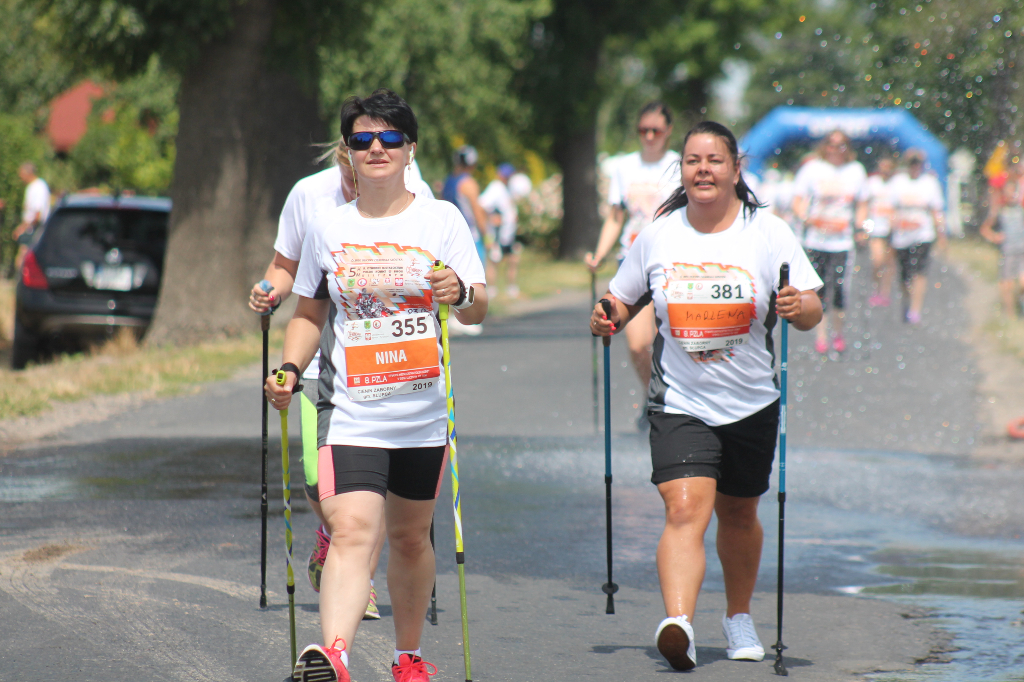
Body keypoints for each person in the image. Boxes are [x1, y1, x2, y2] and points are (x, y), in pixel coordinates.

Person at [266, 88, 487, 682]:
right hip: (351, 411)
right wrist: (289, 370)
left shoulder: (441, 219)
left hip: (422, 414)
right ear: (348, 152)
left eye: (390, 137)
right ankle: (333, 656)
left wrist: (461, 291)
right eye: (363, 139)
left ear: (410, 148)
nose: (377, 148)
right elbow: (308, 313)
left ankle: (406, 657)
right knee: (352, 529)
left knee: (411, 538)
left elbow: (478, 307)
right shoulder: (327, 228)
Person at [590, 121, 822, 672]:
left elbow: (812, 308)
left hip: (750, 402)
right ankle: (680, 624)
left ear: (736, 169)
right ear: (682, 171)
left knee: (739, 513)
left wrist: (798, 306)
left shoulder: (767, 232)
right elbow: (621, 299)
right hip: (681, 403)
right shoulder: (659, 235)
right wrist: (606, 315)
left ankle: (738, 616)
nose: (703, 170)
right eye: (693, 160)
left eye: (714, 160)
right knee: (684, 508)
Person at [249, 127, 433, 621]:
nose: (363, 174)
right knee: (318, 479)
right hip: (323, 359)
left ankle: (359, 580)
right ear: (344, 158)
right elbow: (287, 266)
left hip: (392, 365)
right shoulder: (309, 197)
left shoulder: (416, 191)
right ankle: (334, 534)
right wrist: (270, 289)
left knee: (371, 490)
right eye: (352, 167)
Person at [586, 101, 681, 401]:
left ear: (668, 131)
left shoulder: (679, 165)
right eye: (643, 130)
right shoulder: (624, 167)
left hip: (671, 263)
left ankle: (675, 401)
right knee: (639, 345)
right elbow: (616, 217)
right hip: (633, 260)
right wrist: (599, 255)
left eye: (656, 130)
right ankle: (655, 397)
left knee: (668, 342)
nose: (649, 136)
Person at [791, 130, 868, 354]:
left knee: (840, 289)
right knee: (819, 289)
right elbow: (798, 200)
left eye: (841, 144)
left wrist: (860, 227)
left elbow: (862, 203)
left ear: (848, 147)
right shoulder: (812, 169)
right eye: (832, 144)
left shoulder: (856, 171)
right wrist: (806, 218)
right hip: (816, 240)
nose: (836, 149)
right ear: (825, 146)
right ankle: (821, 336)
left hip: (842, 242)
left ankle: (838, 333)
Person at [888, 149, 946, 323]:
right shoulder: (898, 182)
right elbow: (891, 209)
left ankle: (915, 308)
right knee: (905, 275)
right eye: (912, 163)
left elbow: (936, 210)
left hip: (923, 234)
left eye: (918, 163)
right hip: (902, 236)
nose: (915, 167)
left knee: (919, 272)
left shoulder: (930, 183)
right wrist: (890, 233)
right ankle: (907, 299)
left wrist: (941, 234)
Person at [442, 145, 489, 335]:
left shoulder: (448, 182)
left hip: (447, 235)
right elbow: (477, 212)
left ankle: (451, 317)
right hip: (469, 235)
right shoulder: (468, 183)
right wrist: (488, 236)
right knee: (472, 279)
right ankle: (464, 318)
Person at [980, 160, 1024, 317]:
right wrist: (995, 237)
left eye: (1013, 191)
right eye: (1008, 191)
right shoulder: (1000, 211)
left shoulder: (1020, 209)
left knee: (1022, 282)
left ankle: (1019, 306)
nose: (1011, 195)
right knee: (1007, 283)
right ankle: (1009, 313)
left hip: (1022, 250)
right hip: (1007, 251)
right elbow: (984, 229)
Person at [480, 162, 522, 298]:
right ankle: (491, 289)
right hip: (498, 233)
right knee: (494, 261)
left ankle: (511, 287)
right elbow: (483, 204)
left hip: (509, 233)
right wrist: (492, 217)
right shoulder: (495, 187)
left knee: (513, 260)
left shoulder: (508, 188)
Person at [865, 157, 897, 308]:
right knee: (877, 261)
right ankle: (876, 289)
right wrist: (865, 228)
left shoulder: (896, 184)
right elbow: (864, 205)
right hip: (876, 229)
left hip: (892, 229)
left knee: (889, 263)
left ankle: (885, 292)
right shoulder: (872, 183)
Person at [12, 162, 50, 270]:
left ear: (28, 173)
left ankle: (22, 278)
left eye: (21, 174)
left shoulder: (38, 187)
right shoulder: (32, 186)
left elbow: (37, 214)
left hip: (34, 228)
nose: (20, 177)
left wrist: (22, 228)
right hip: (31, 227)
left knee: (23, 257)